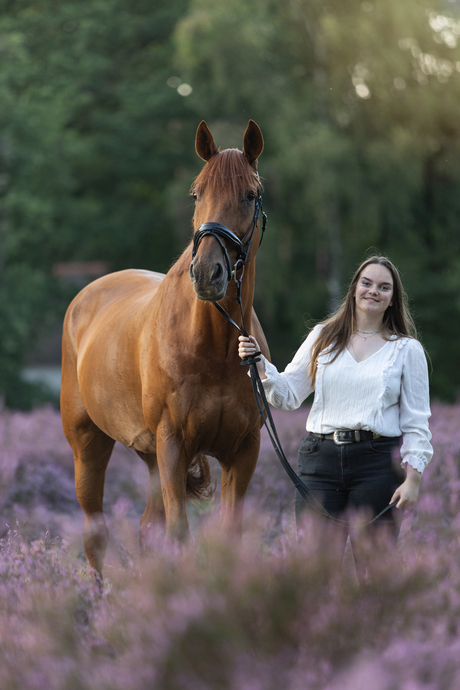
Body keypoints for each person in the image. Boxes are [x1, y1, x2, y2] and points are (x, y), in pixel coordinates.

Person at [238, 255, 432, 536]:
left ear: (393, 299)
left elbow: (416, 422)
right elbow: (289, 395)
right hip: (319, 462)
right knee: (315, 567)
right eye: (366, 283)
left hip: (377, 465)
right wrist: (260, 365)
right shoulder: (323, 337)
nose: (373, 291)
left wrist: (413, 478)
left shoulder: (406, 350)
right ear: (354, 289)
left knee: (373, 568)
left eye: (384, 287)